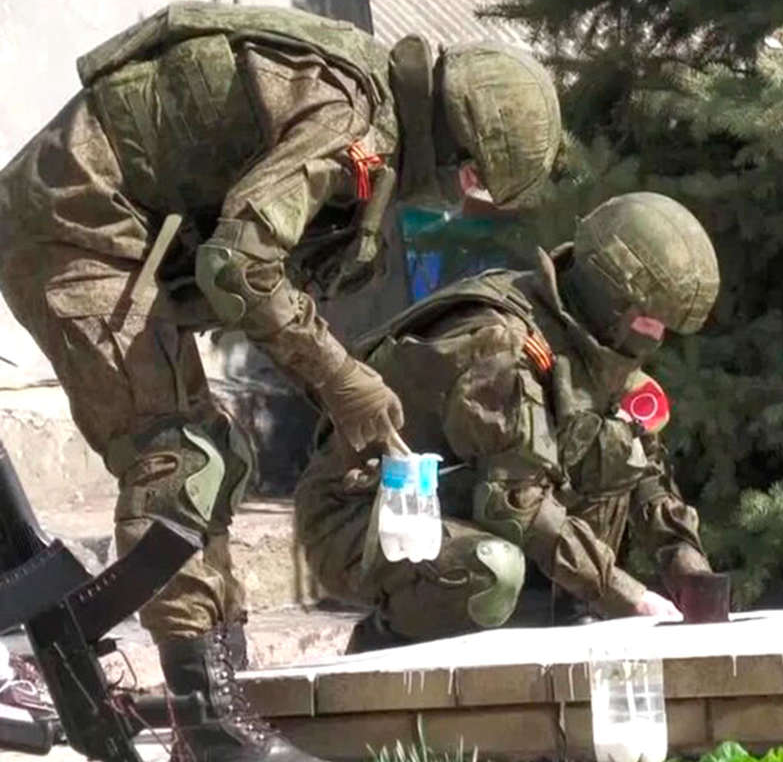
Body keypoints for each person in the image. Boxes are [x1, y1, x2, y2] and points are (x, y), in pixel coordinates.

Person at [0, 1, 568, 762]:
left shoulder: (366, 109)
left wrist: (335, 385)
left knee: (215, 454)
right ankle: (208, 729)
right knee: (176, 455)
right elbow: (238, 264)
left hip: (106, 226)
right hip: (73, 227)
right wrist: (341, 378)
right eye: (477, 192)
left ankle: (221, 702)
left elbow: (261, 276)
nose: (460, 204)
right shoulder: (347, 118)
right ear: (465, 164)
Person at [294, 192, 719, 652]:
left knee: (612, 445)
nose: (659, 337)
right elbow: (516, 506)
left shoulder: (597, 345)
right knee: (493, 570)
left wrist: (686, 563)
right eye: (652, 321)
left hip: (455, 505)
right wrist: (626, 594)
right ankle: (384, 647)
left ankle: (564, 619)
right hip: (362, 515)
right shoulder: (502, 348)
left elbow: (644, 471)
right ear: (611, 296)